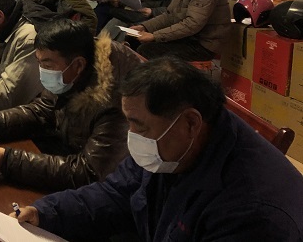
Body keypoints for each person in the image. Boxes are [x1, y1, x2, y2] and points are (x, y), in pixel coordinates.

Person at [16, 57, 303, 241]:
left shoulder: (252, 215)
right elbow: (117, 192)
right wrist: (46, 213)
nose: (132, 136)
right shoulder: (176, 145)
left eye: (139, 126)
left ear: (190, 122)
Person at [0, 20, 141, 191]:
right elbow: (41, 110)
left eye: (48, 66)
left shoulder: (118, 100)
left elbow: (88, 172)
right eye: (40, 63)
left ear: (78, 65)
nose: (43, 71)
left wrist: (7, 161)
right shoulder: (70, 73)